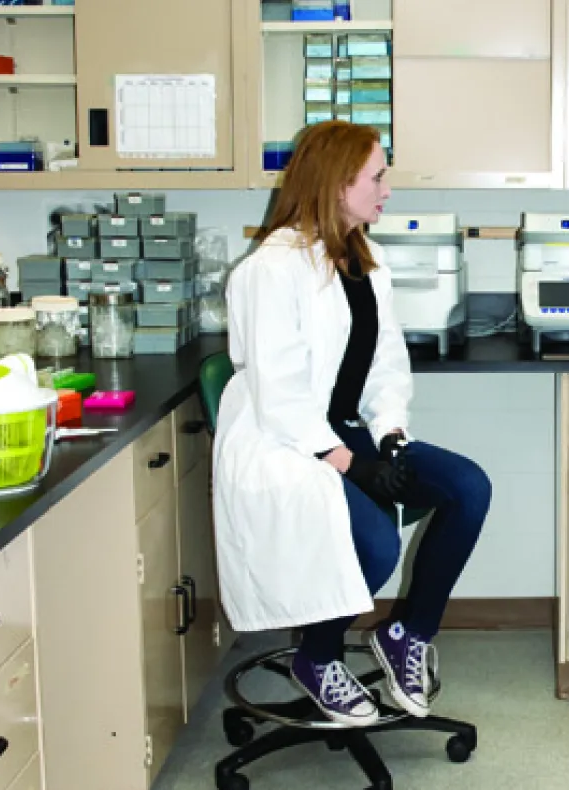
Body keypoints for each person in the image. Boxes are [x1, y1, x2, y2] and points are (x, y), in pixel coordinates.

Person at [212, 121, 492, 728]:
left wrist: (389, 436)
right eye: (378, 176)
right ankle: (316, 658)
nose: (388, 190)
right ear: (339, 184)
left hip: (353, 433)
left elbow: (386, 363)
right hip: (285, 441)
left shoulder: (367, 260)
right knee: (374, 544)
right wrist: (350, 464)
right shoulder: (272, 269)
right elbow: (280, 395)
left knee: (467, 487)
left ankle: (407, 634)